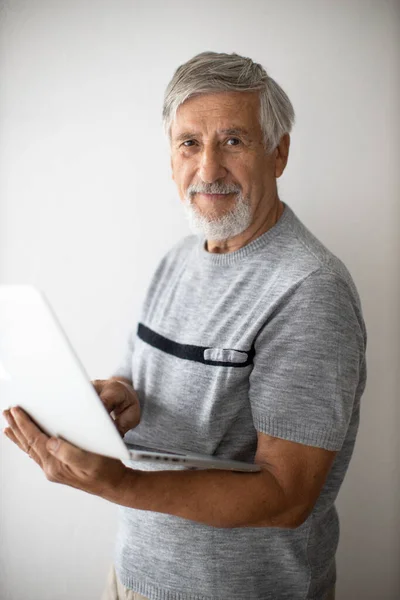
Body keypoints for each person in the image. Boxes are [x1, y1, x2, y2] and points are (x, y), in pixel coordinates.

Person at [3, 52, 367, 600]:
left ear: (280, 152)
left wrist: (120, 484)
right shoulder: (177, 258)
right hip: (134, 577)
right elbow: (138, 376)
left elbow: (288, 496)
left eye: (234, 141)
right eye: (190, 143)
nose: (209, 169)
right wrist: (120, 396)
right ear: (171, 157)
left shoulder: (310, 289)